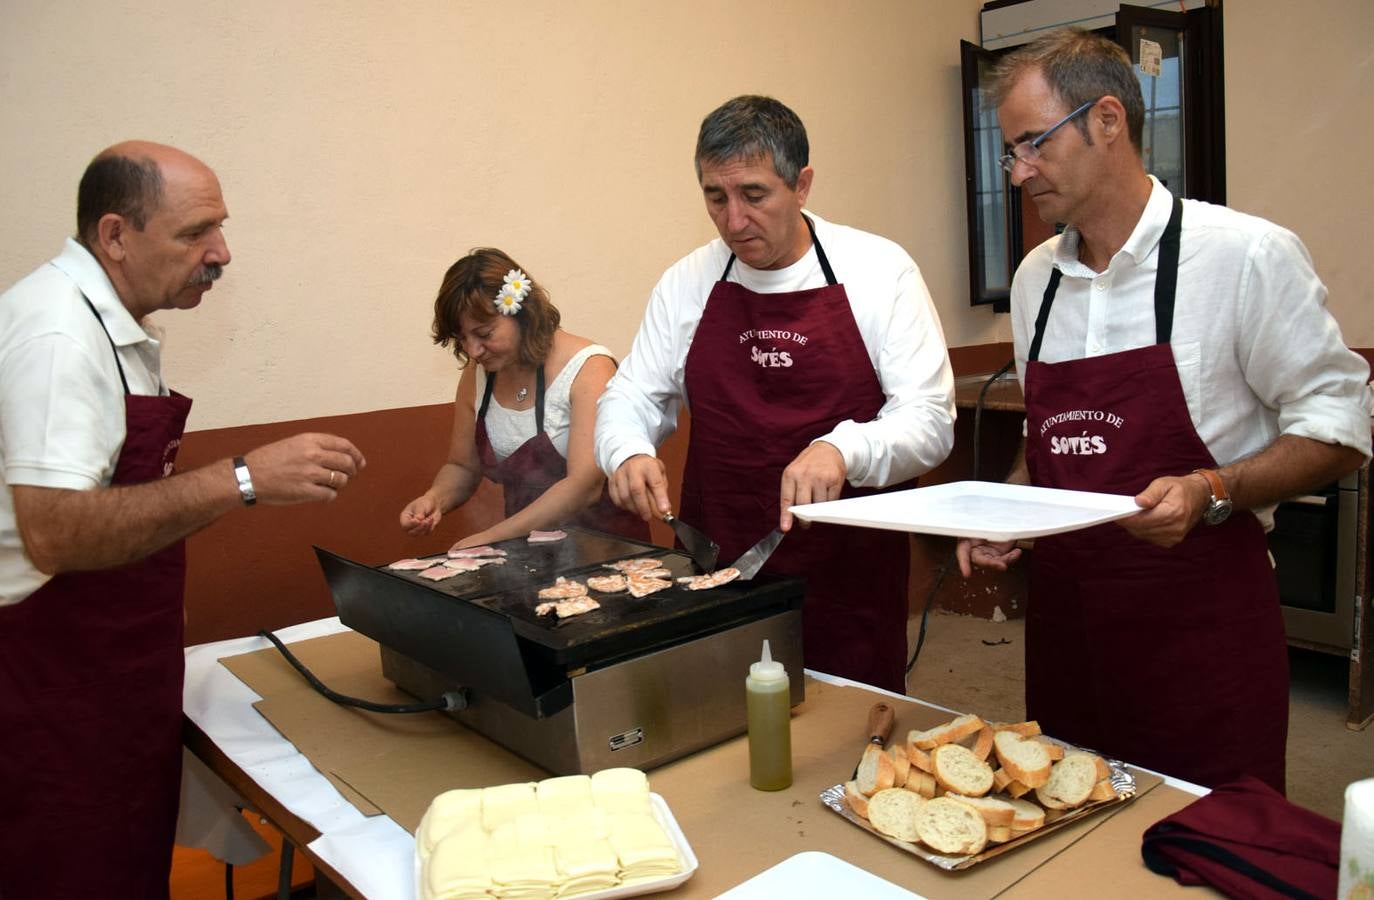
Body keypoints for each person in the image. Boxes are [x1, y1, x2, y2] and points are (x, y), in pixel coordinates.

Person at [956, 30, 1371, 793]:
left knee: (1214, 845)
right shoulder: (1033, 281)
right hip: (1069, 632)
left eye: (1032, 144)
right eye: (1009, 152)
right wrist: (1008, 506)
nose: (1018, 172)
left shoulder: (1245, 256)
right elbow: (1049, 445)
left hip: (1201, 633)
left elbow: (1343, 427)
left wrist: (1211, 490)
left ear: (1108, 120)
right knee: (1070, 833)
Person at [0, 141, 366, 899]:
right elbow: (56, 532)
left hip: (112, 668)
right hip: (50, 686)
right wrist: (242, 479)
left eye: (220, 228)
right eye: (195, 232)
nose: (220, 252)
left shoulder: (112, 324)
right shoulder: (60, 338)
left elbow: (117, 502)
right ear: (115, 235)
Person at [595, 95, 956, 693]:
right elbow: (631, 393)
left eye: (754, 195)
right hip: (723, 559)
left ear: (803, 184)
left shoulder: (878, 271)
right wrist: (626, 450)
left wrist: (845, 450)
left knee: (847, 739)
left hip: (850, 569)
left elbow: (930, 421)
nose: (733, 220)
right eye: (716, 197)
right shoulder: (689, 281)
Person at [400, 248, 647, 546]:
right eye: (462, 338)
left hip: (605, 552)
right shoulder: (477, 375)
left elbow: (583, 486)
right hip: (528, 555)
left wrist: (492, 537)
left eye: (484, 333)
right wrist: (434, 499)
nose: (473, 350)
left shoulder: (589, 369)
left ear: (521, 314)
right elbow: (462, 467)